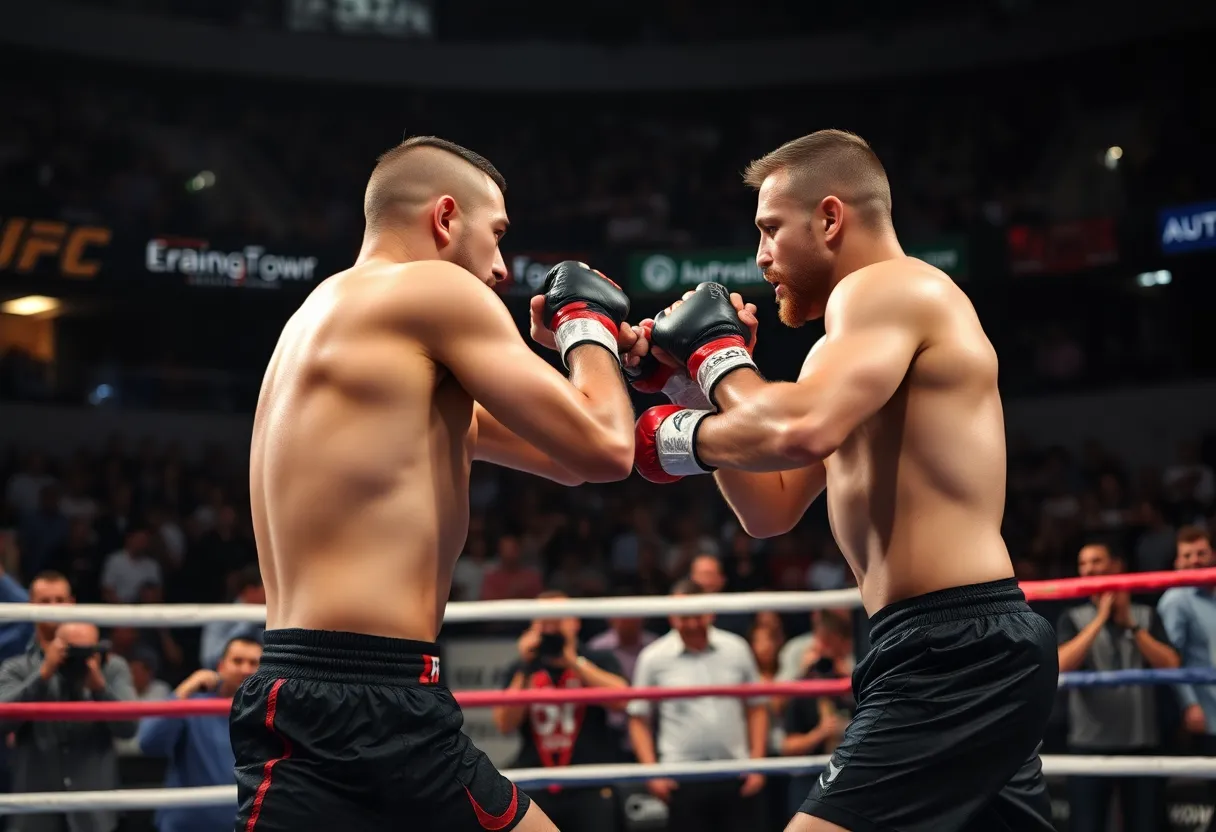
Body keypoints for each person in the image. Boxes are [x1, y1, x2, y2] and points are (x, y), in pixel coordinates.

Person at [628, 129, 1059, 831]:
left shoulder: (889, 288)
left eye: (770, 231)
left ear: (829, 218)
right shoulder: (846, 351)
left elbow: (797, 429)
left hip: (954, 646)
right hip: (932, 640)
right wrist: (692, 387)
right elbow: (771, 508)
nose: (760, 257)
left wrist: (708, 373)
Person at [233, 135, 639, 832]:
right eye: (498, 236)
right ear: (446, 218)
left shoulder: (323, 317)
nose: (503, 269)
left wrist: (575, 362)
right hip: (376, 695)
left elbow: (570, 456)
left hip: (298, 690)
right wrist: (585, 327)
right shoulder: (435, 288)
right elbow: (607, 447)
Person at [627, 581, 769, 832]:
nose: (691, 624)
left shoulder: (736, 648)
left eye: (697, 616)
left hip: (735, 772)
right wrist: (652, 772)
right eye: (684, 617)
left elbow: (756, 707)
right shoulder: (654, 657)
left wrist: (757, 763)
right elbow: (639, 718)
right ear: (671, 616)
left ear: (710, 612)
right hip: (681, 776)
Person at [1056, 542, 1177, 832]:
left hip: (1141, 741)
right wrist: (1100, 618)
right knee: (1086, 826)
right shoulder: (1072, 617)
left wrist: (1131, 626)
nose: (1089, 569)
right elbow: (1060, 665)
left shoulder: (1145, 615)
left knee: (1145, 825)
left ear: (1115, 566)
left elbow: (1172, 666)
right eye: (1083, 564)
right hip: (1089, 744)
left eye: (1096, 561)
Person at [492, 591, 629, 832]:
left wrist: (574, 662)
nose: (552, 628)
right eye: (545, 621)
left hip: (590, 782)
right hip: (537, 783)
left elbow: (623, 700)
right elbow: (504, 723)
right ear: (533, 626)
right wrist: (526, 668)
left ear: (575, 622)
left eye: (558, 620)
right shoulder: (521, 669)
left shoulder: (596, 658)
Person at [139, 637, 263, 832]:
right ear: (221, 667)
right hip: (186, 825)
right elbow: (148, 743)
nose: (245, 670)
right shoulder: (194, 705)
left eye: (254, 663)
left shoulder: (270, 714)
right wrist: (185, 689)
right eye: (237, 661)